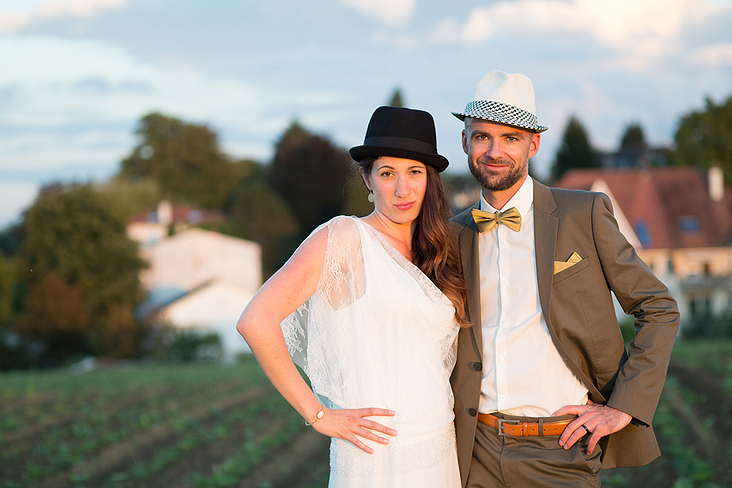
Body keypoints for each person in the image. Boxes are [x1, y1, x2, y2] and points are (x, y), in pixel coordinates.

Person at [449, 70, 680, 487]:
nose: (494, 151)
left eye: (511, 138)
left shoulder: (583, 214)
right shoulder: (451, 235)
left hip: (561, 453)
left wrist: (622, 407)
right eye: (482, 137)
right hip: (473, 453)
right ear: (465, 141)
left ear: (533, 143)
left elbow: (658, 307)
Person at [237, 105, 468, 487]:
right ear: (367, 178)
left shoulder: (438, 250)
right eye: (387, 173)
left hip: (439, 442)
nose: (402, 189)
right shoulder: (344, 238)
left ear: (430, 179)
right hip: (374, 452)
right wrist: (319, 415)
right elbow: (255, 320)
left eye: (415, 172)